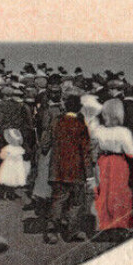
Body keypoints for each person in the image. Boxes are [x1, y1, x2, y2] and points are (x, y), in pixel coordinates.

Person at [46, 97, 92, 243]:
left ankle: (52, 231)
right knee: (76, 202)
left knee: (57, 200)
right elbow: (86, 150)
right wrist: (89, 173)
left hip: (57, 168)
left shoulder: (56, 121)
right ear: (79, 109)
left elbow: (46, 141)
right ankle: (72, 231)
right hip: (75, 169)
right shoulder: (81, 125)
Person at [91, 98, 133, 237]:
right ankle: (121, 223)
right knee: (120, 192)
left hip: (102, 161)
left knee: (102, 192)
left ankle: (102, 223)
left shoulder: (98, 130)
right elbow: (132, 152)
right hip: (119, 162)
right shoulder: (124, 132)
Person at [0, 128, 29, 200]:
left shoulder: (8, 148)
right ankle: (11, 194)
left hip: (8, 166)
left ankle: (5, 194)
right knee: (14, 181)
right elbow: (22, 156)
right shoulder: (19, 148)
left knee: (7, 181)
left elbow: (2, 156)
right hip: (17, 167)